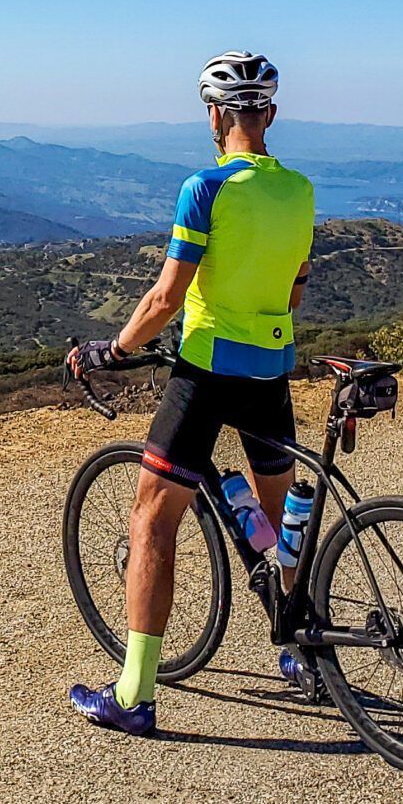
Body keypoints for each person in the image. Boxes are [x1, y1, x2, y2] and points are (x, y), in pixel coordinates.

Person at [66, 51, 315, 735]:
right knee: (279, 518)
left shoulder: (204, 188)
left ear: (214, 114)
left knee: (151, 520)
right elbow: (294, 288)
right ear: (270, 114)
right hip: (272, 367)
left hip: (206, 372)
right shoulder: (299, 190)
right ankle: (300, 649)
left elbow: (166, 297)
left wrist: (111, 350)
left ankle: (135, 695)